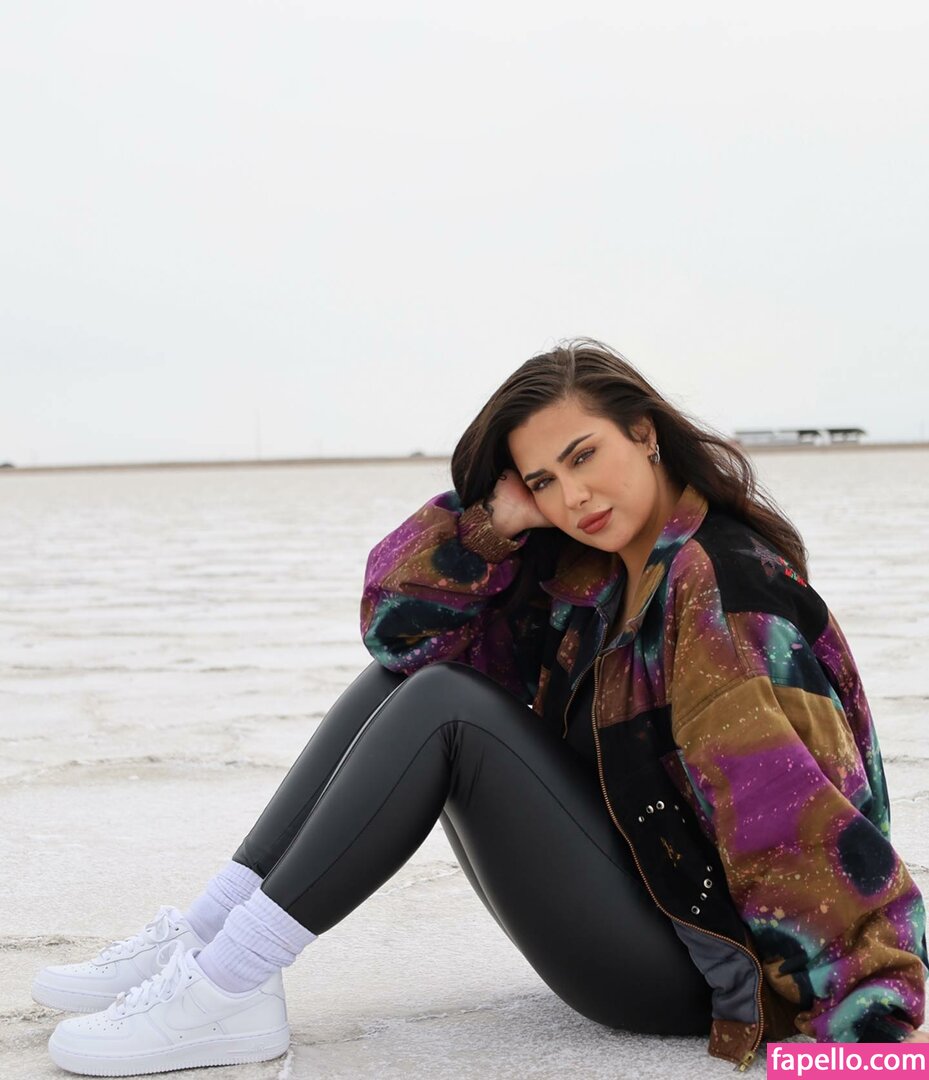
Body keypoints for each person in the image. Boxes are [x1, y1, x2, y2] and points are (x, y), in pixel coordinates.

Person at [35, 339, 928, 1075]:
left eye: (584, 456)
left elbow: (802, 826)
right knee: (416, 675)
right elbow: (397, 633)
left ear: (644, 433)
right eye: (543, 481)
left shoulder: (722, 599)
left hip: (699, 976)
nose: (573, 498)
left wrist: (859, 1044)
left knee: (447, 706)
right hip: (643, 906)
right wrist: (491, 526)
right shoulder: (591, 576)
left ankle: (230, 983)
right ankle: (208, 939)